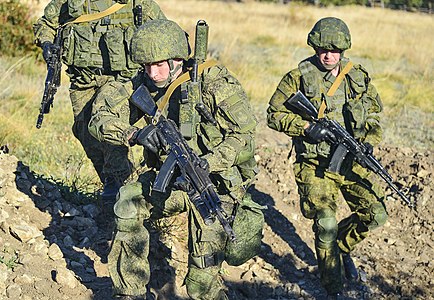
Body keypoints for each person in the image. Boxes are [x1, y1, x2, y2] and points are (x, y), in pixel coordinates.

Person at [88, 19, 262, 299]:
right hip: (168, 181)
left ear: (178, 59)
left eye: (159, 65)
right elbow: (99, 119)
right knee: (128, 204)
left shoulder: (213, 81)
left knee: (201, 283)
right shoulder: (139, 81)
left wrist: (210, 161)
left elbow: (243, 133)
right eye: (146, 65)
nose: (153, 73)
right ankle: (129, 291)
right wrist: (134, 133)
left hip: (211, 185)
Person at [266, 17, 388, 299]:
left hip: (350, 160)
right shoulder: (297, 77)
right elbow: (273, 114)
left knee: (376, 213)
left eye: (334, 50)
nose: (328, 55)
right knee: (326, 223)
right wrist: (306, 127)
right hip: (315, 165)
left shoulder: (357, 76)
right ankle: (333, 287)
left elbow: (373, 116)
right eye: (322, 48)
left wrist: (369, 141)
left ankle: (340, 249)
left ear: (344, 49)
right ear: (314, 46)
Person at [33, 0, 166, 201]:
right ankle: (113, 180)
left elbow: (164, 32)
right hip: (84, 80)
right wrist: (46, 43)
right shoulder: (71, 2)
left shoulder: (137, 3)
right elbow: (46, 24)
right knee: (84, 130)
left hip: (123, 80)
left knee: (107, 127)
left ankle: (125, 193)